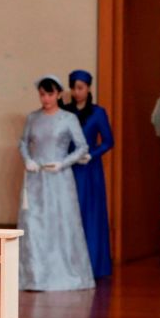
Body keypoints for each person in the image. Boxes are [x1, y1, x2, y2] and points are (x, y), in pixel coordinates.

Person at [18, 75, 94, 292]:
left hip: (59, 178)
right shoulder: (32, 118)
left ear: (59, 94)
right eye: (42, 94)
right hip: (35, 178)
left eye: (50, 94)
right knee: (34, 224)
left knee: (59, 222)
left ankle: (62, 273)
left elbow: (82, 147)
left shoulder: (68, 118)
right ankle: (33, 275)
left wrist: (62, 163)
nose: (45, 98)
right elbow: (23, 143)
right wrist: (28, 160)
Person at [63, 69, 114, 279]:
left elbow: (109, 141)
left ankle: (93, 264)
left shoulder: (98, 113)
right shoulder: (65, 112)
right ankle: (69, 264)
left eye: (81, 88)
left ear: (88, 88)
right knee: (70, 214)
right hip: (70, 169)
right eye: (74, 88)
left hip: (90, 171)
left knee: (90, 214)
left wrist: (92, 155)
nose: (77, 92)